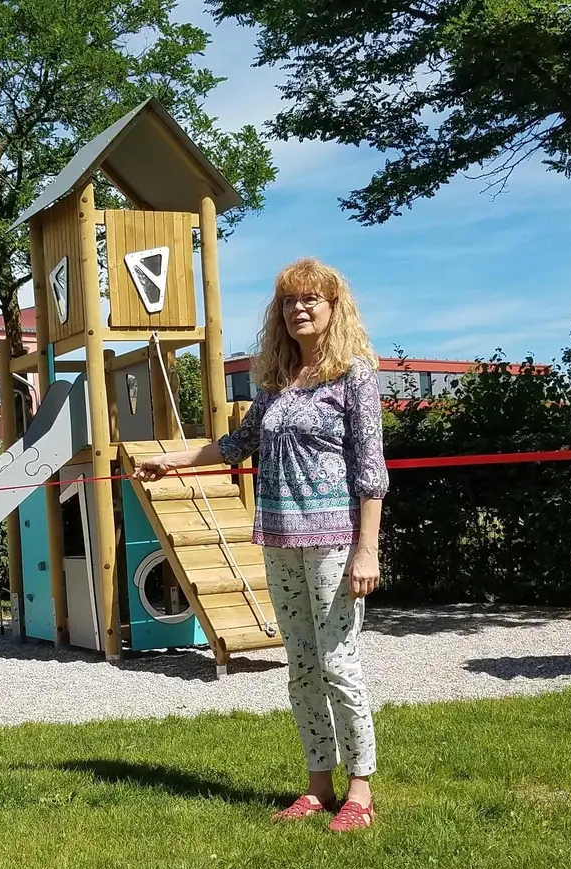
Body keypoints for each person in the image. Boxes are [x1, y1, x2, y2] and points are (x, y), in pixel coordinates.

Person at [135, 257, 387, 832]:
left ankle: (360, 789)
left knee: (338, 663)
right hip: (278, 538)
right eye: (289, 302)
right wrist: (171, 462)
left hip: (334, 540)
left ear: (332, 306)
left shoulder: (355, 374)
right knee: (300, 666)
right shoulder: (274, 381)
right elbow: (237, 444)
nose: (298, 309)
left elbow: (371, 471)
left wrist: (366, 550)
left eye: (310, 300)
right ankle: (317, 785)